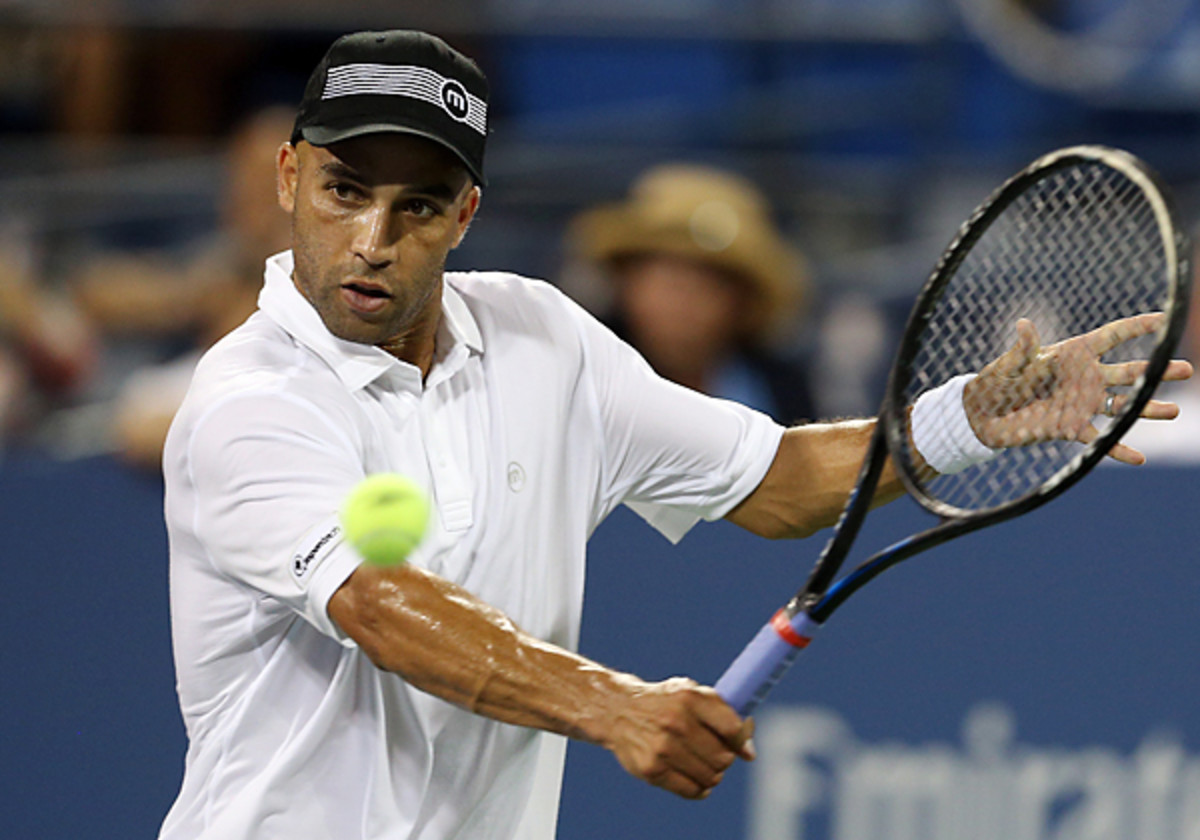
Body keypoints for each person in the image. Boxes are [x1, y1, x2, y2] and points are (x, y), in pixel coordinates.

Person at [157, 30, 1192, 840]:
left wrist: (964, 417)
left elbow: (777, 480)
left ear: (465, 214)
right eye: (344, 192)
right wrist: (615, 704)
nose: (372, 241)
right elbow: (383, 609)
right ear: (288, 177)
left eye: (417, 207)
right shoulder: (249, 400)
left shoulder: (542, 337)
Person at [567, 163, 816, 423]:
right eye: (667, 279)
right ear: (626, 282)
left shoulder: (781, 389)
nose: (682, 303)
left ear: (742, 303)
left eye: (708, 286)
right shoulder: (579, 375)